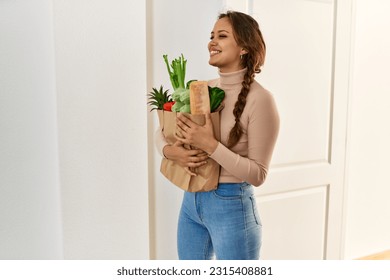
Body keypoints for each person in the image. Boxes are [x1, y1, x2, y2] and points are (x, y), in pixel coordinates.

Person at [155, 11, 279, 260]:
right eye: (211, 35)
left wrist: (210, 145)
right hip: (191, 202)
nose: (212, 41)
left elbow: (258, 174)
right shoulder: (202, 88)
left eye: (222, 36)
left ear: (244, 47)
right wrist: (171, 152)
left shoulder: (260, 100)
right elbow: (161, 132)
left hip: (232, 205)